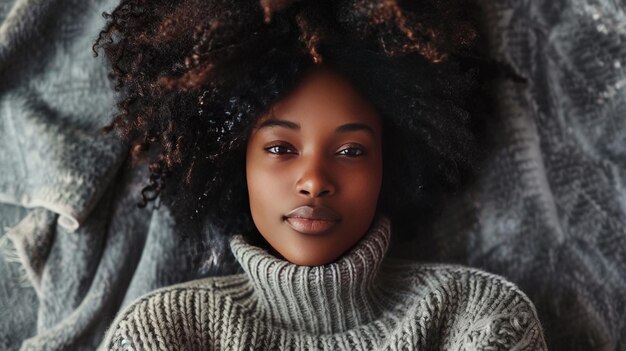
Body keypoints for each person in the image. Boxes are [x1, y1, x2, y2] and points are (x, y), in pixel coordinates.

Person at [94, 0, 548, 349]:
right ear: (235, 163)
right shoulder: (163, 334)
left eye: (351, 150)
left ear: (390, 163)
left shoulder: (479, 322)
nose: (314, 180)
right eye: (280, 148)